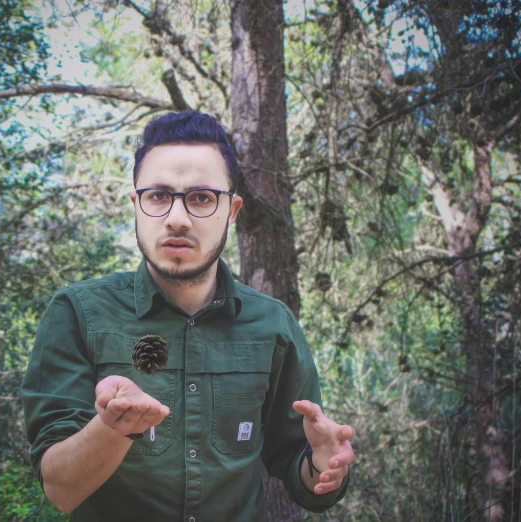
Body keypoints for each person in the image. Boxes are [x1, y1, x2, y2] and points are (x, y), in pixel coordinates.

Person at [21, 111, 354, 521]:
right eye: (159, 195)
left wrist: (323, 465)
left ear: (231, 211)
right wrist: (112, 428)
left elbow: (294, 464)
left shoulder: (274, 326)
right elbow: (59, 488)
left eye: (200, 198)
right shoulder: (78, 313)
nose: (177, 218)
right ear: (136, 205)